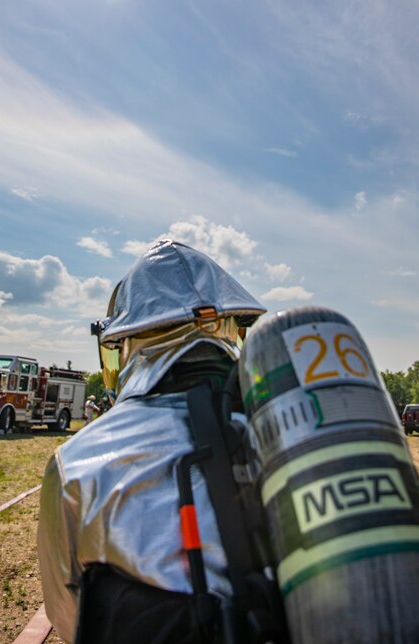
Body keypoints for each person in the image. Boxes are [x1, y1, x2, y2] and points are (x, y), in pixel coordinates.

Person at [37, 239, 268, 644]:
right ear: (233, 331)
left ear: (127, 345)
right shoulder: (297, 430)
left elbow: (68, 616)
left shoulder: (76, 465)